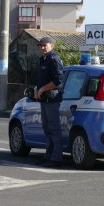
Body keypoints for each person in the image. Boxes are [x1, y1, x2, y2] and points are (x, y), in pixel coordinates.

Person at [34, 37, 64, 168]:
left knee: (54, 129)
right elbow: (41, 79)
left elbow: (58, 80)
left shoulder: (54, 59)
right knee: (47, 129)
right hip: (44, 99)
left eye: (44, 45)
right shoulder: (43, 59)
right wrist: (37, 89)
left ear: (51, 46)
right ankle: (48, 156)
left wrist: (42, 89)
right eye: (40, 45)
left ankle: (56, 158)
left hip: (52, 99)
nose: (42, 47)